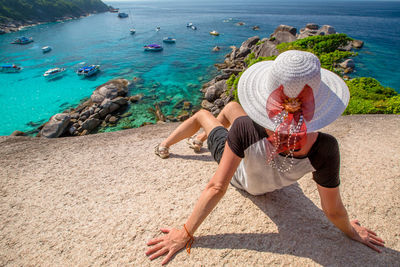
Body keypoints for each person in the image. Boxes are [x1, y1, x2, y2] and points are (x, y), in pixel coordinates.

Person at [146, 50, 385, 264]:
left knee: (203, 114)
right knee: (231, 110)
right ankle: (198, 139)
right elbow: (333, 210)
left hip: (240, 174)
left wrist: (185, 233)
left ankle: (169, 144)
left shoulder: (246, 130)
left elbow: (217, 186)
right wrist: (351, 231)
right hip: (254, 157)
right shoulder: (326, 148)